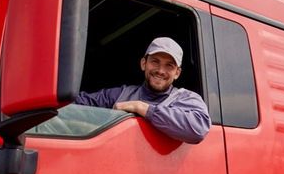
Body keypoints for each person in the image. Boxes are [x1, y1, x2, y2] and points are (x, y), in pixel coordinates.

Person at [74, 37, 210, 144]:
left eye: (169, 65)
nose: (161, 71)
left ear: (177, 73)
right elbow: (78, 103)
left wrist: (142, 108)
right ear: (144, 64)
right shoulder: (121, 94)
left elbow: (198, 129)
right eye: (155, 62)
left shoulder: (185, 98)